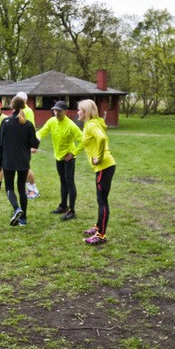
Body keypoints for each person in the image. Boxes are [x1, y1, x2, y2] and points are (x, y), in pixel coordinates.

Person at [77, 99, 116, 245]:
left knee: (102, 201)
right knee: (100, 200)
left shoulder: (92, 125)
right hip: (105, 167)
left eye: (79, 109)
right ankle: (98, 227)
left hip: (104, 167)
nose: (77, 112)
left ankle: (101, 235)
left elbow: (101, 138)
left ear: (86, 112)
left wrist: (98, 157)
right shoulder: (91, 124)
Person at [0, 95, 39, 226]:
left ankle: (17, 208)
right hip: (23, 161)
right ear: (24, 106)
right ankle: (23, 219)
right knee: (22, 189)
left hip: (8, 161)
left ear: (11, 106)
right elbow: (35, 144)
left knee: (9, 188)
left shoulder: (6, 122)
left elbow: (0, 144)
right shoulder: (28, 124)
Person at [36, 100, 83, 220]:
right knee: (63, 181)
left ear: (65, 112)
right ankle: (63, 206)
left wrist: (74, 153)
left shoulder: (71, 125)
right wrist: (36, 139)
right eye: (55, 110)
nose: (56, 113)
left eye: (59, 111)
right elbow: (42, 132)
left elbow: (84, 140)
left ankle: (72, 211)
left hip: (68, 158)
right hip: (58, 156)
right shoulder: (52, 121)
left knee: (69, 182)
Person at [16, 91, 40, 199]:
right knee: (21, 167)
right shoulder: (20, 110)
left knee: (25, 167)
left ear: (25, 100)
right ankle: (29, 188)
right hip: (20, 143)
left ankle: (34, 189)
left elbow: (30, 128)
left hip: (26, 144)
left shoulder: (27, 111)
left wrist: (33, 145)